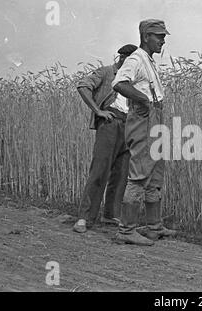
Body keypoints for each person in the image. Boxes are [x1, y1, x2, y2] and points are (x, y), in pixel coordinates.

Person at [112, 19, 176, 246]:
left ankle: (153, 227)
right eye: (159, 36)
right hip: (143, 120)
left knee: (155, 174)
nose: (163, 40)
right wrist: (142, 99)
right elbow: (119, 83)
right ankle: (126, 230)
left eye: (163, 36)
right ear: (146, 36)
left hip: (154, 119)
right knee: (139, 175)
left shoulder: (148, 61)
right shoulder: (136, 58)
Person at [73, 44, 138, 233]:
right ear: (122, 58)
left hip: (129, 126)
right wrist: (98, 110)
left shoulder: (132, 79)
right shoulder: (106, 72)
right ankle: (84, 217)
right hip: (110, 123)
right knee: (100, 170)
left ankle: (110, 214)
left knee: (121, 173)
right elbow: (83, 86)